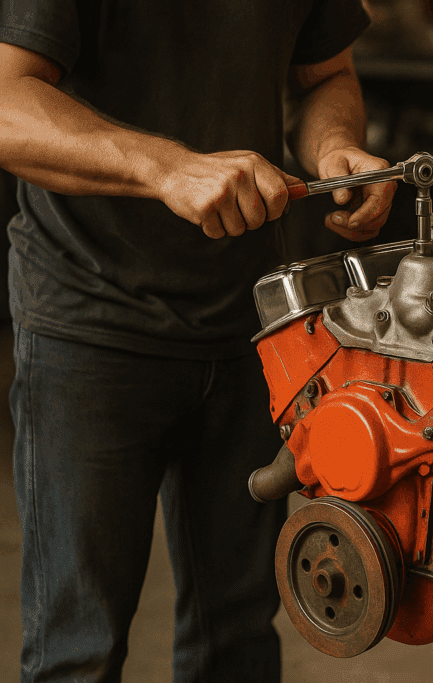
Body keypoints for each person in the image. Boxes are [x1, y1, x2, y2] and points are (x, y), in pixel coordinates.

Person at [0, 1, 397, 681]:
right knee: (78, 651)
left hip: (249, 325)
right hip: (91, 324)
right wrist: (167, 168)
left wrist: (334, 149)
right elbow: (7, 102)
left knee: (236, 639)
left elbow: (327, 76)